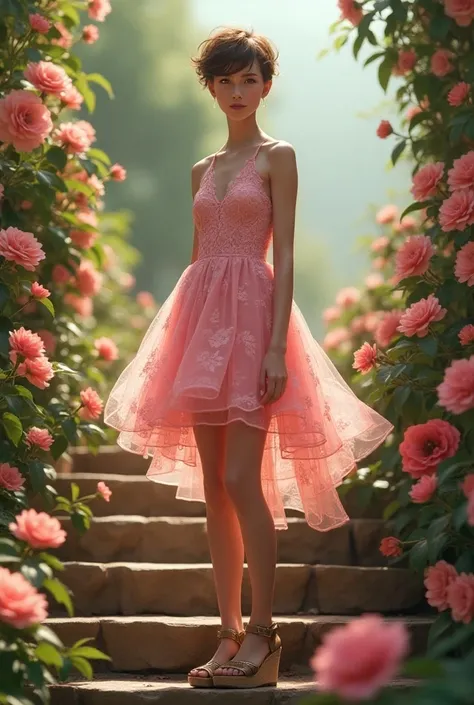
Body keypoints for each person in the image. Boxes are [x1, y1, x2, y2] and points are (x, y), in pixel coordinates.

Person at [104, 26, 393, 690]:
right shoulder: (202, 169)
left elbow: (282, 252)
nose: (237, 91)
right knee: (212, 488)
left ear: (266, 84)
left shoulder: (278, 155)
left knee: (243, 478)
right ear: (209, 86)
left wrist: (272, 347)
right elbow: (204, 251)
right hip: (200, 319)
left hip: (255, 319)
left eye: (249, 79)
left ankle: (265, 632)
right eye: (225, 80)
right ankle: (229, 632)